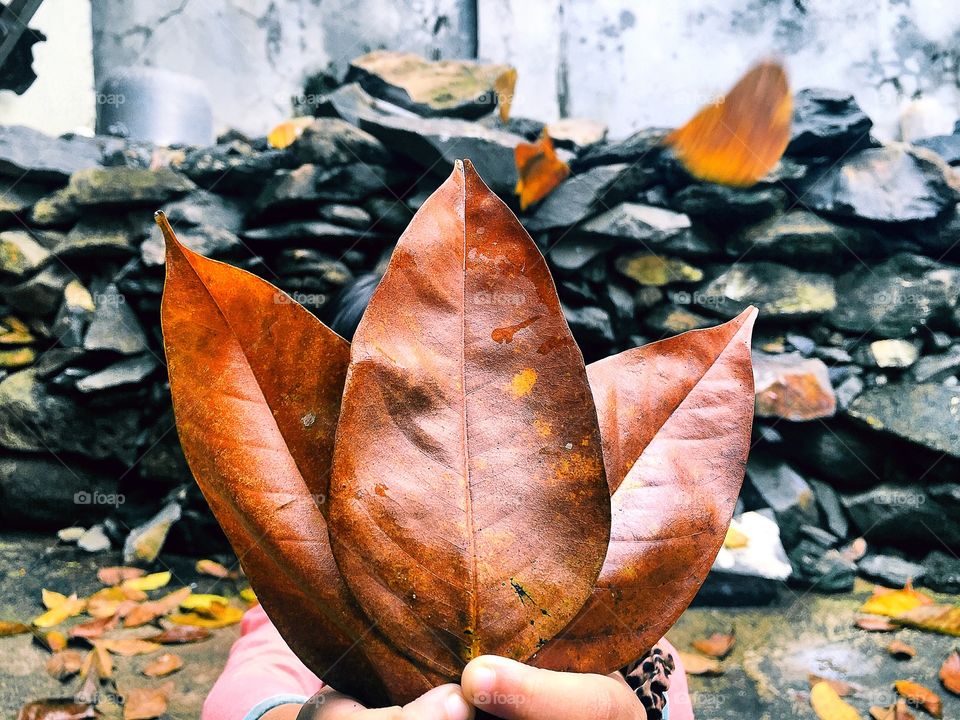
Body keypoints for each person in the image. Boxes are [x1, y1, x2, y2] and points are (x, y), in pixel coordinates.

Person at [202, 604, 693, 720]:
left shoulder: (633, 634)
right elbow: (261, 662)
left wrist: (640, 710)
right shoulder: (317, 603)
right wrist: (289, 715)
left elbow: (662, 681)